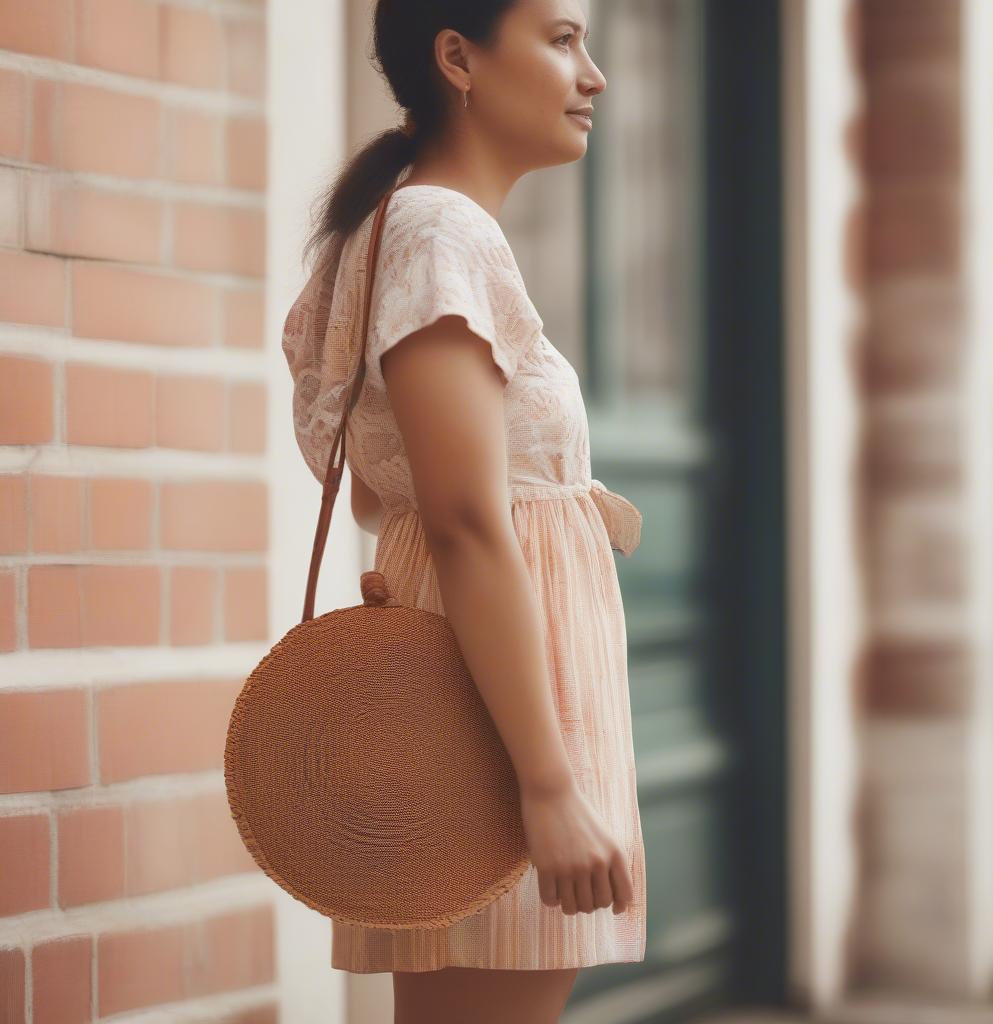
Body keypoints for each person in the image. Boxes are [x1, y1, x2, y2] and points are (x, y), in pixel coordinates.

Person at [282, 1, 645, 1020]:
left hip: (497, 694)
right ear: (459, 58)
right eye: (564, 38)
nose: (595, 75)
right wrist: (546, 782)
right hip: (494, 721)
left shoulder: (427, 227)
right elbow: (464, 519)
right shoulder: (438, 232)